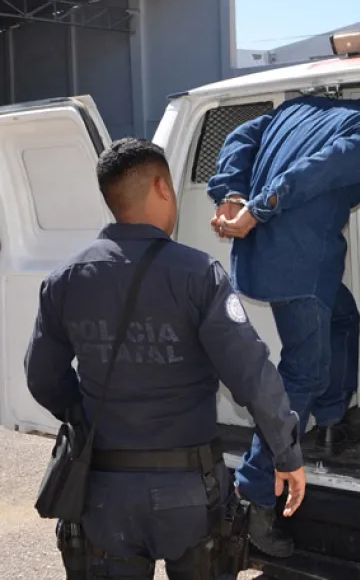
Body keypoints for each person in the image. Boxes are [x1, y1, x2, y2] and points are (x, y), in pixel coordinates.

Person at [24, 138, 306, 579]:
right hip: (191, 492)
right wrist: (286, 454)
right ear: (161, 188)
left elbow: (41, 377)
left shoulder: (65, 279)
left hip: (104, 493)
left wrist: (84, 414)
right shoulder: (199, 275)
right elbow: (250, 375)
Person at [205, 95, 360, 556]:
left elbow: (240, 137)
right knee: (303, 371)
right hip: (300, 265)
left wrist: (234, 195)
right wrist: (259, 205)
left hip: (265, 256)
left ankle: (332, 420)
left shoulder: (300, 108)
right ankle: (252, 499)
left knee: (343, 316)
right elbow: (322, 167)